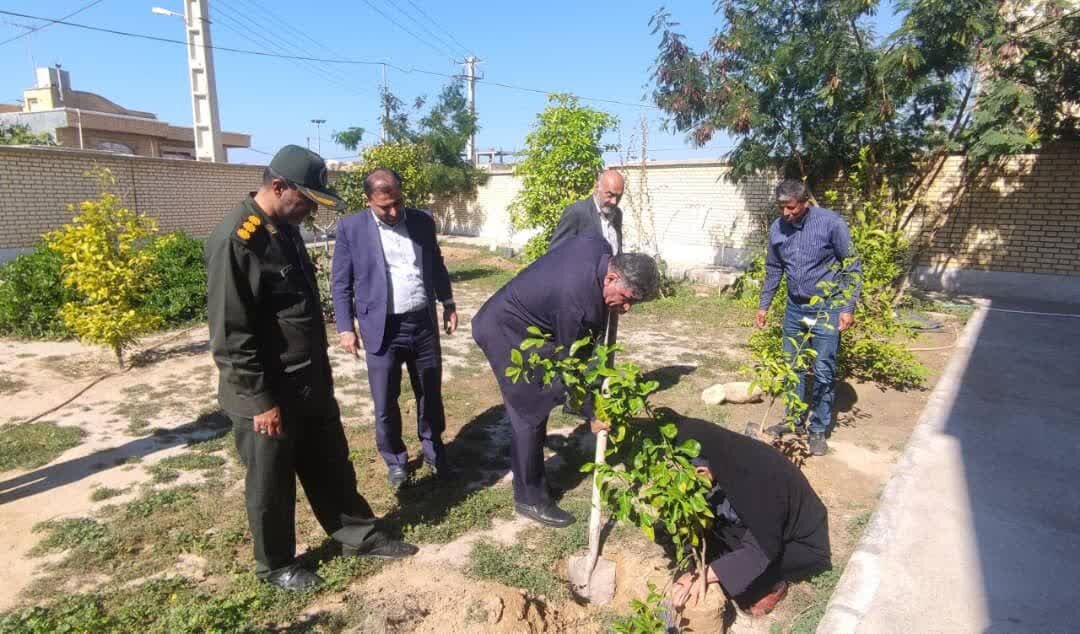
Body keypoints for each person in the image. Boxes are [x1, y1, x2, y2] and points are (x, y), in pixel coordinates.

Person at [205, 145, 417, 592]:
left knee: (330, 462)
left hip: (307, 379)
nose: (308, 211)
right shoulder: (238, 240)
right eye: (304, 201)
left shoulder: (284, 227)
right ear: (278, 187)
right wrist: (260, 400)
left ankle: (357, 534)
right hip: (267, 391)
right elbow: (231, 332)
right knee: (271, 482)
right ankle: (276, 564)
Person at [471, 236, 659, 527]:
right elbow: (567, 367)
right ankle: (529, 497)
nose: (627, 309)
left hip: (528, 322)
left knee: (539, 401)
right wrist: (591, 411)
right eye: (628, 299)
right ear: (611, 277)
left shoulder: (600, 247)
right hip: (504, 330)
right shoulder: (577, 305)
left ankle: (532, 474)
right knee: (529, 410)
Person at [331, 168, 457, 490]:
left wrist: (448, 302)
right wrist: (346, 327)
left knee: (430, 392)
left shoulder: (421, 222)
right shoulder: (351, 228)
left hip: (422, 324)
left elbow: (436, 264)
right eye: (384, 206)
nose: (393, 211)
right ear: (368, 200)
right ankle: (396, 459)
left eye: (397, 203)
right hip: (382, 328)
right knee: (385, 398)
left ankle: (433, 449)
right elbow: (341, 283)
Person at [665, 421, 831, 616]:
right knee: (716, 538)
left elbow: (759, 549)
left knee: (748, 571)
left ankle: (774, 585)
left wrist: (700, 576)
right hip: (756, 524)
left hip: (797, 543)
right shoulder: (722, 458)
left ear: (701, 472)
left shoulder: (759, 480)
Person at [755, 179, 861, 456]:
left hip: (827, 308)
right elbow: (773, 268)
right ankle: (793, 420)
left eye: (791, 208)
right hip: (794, 308)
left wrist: (847, 307)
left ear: (804, 202)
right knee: (793, 367)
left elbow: (851, 266)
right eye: (781, 208)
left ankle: (818, 429)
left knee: (824, 368)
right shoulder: (778, 228)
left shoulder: (831, 223)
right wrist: (764, 305)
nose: (786, 213)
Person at [549, 169, 625, 254]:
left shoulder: (617, 214)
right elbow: (555, 253)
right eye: (610, 195)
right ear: (596, 188)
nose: (614, 201)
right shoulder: (577, 212)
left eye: (619, 196)